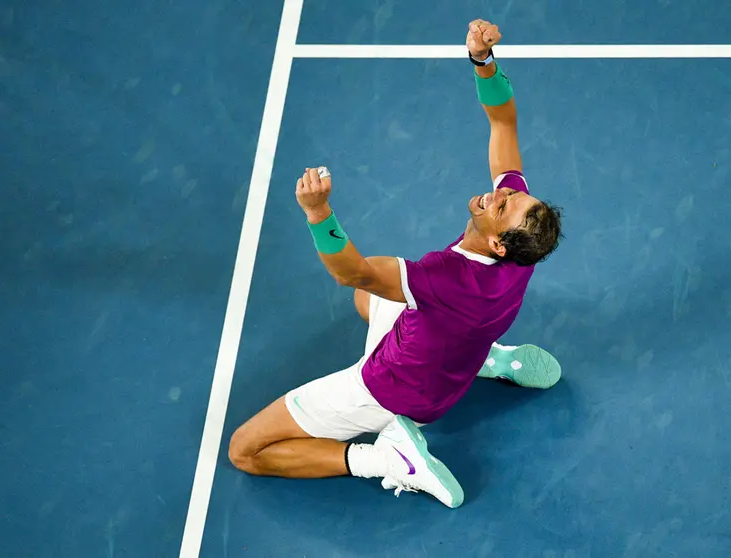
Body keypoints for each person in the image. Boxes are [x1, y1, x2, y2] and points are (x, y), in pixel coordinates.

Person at [228, 19, 563, 509]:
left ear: (497, 245)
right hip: (450, 364)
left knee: (247, 450)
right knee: (369, 302)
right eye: (508, 193)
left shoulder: (442, 277)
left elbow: (352, 270)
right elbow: (503, 122)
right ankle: (487, 360)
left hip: (390, 390)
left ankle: (388, 459)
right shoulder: (521, 251)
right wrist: (482, 62)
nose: (499, 193)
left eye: (502, 205)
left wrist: (319, 214)